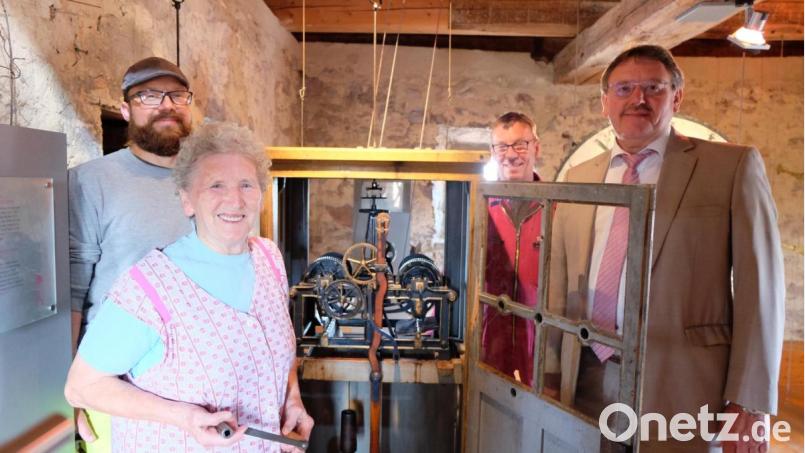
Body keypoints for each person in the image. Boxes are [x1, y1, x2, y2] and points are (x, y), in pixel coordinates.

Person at [548, 45, 784, 452]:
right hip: (586, 376)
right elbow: (558, 283)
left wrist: (749, 402)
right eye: (624, 89)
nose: (638, 99)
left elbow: (761, 288)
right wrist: (550, 374)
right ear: (605, 102)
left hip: (685, 386)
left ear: (676, 97)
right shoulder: (579, 176)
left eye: (653, 88)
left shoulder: (729, 168)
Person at [64, 121, 314, 452]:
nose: (235, 200)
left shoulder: (269, 259)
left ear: (262, 195)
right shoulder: (148, 288)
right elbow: (81, 387)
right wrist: (182, 417)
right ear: (187, 200)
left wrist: (292, 397)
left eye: (246, 185)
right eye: (215, 186)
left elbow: (275, 348)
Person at [68, 56, 195, 445]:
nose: (166, 105)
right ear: (125, 110)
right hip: (116, 387)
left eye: (177, 95)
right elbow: (72, 294)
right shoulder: (90, 182)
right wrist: (70, 392)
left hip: (197, 383)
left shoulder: (209, 181)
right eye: (149, 96)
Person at [480, 112, 543, 386]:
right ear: (492, 152)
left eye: (520, 144)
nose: (511, 155)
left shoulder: (557, 209)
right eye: (502, 146)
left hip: (539, 349)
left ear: (536, 148)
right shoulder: (480, 209)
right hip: (489, 346)